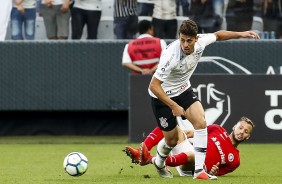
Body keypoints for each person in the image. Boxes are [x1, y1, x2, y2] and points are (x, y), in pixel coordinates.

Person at [147, 19, 259, 180]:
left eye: (189, 40)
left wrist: (240, 34)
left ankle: (199, 171)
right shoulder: (170, 56)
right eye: (182, 39)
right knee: (170, 140)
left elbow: (218, 35)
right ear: (179, 37)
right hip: (162, 95)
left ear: (196, 39)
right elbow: (153, 86)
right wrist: (173, 106)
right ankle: (159, 163)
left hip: (183, 89)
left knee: (201, 123)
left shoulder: (201, 42)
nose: (185, 44)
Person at [124, 116, 255, 176]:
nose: (241, 132)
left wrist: (213, 172)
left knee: (194, 156)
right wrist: (177, 133)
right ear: (234, 127)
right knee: (168, 127)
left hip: (194, 168)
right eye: (241, 128)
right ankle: (140, 153)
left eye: (246, 131)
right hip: (187, 151)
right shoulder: (217, 129)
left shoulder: (235, 160)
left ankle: (151, 159)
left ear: (247, 136)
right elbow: (191, 132)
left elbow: (216, 173)